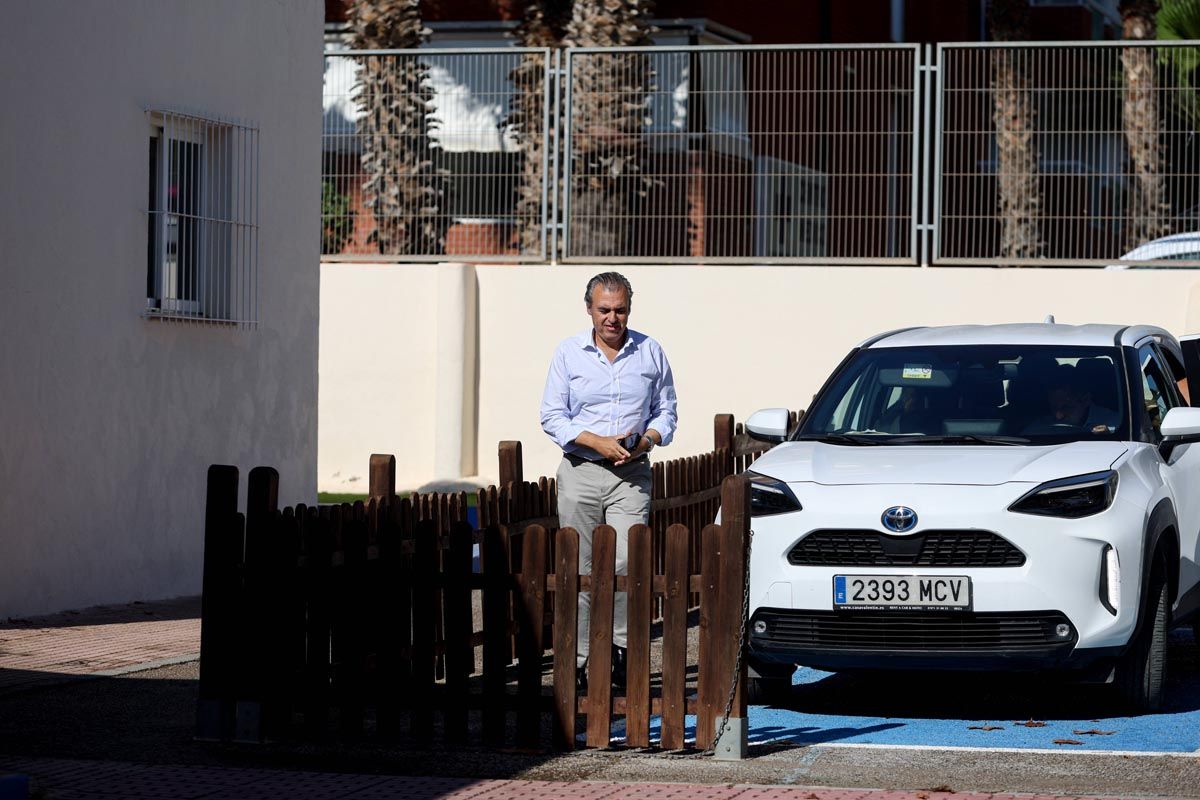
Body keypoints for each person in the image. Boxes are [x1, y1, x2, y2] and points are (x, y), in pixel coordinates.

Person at [540, 272, 677, 690]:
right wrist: (596, 442)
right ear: (589, 310)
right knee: (579, 567)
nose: (612, 318)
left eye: (619, 310)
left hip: (630, 474)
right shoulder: (568, 353)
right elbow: (552, 416)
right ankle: (579, 658)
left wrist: (647, 440)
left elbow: (666, 413)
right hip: (581, 470)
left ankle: (620, 651)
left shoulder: (650, 351)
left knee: (624, 561)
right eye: (604, 310)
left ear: (629, 310)